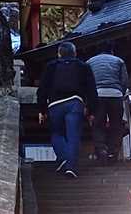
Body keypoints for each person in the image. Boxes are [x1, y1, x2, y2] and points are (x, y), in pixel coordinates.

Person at [37, 40, 95, 177]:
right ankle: (71, 166)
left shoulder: (51, 66)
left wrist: (42, 109)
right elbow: (91, 89)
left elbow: (42, 89)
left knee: (56, 133)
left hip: (55, 104)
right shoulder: (83, 66)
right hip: (75, 102)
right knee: (73, 135)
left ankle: (63, 157)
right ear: (75, 53)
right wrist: (91, 109)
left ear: (59, 54)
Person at [86, 47, 130, 162]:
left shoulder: (90, 62)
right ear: (112, 51)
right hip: (115, 95)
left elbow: (86, 82)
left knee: (98, 124)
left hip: (97, 94)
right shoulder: (119, 61)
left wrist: (88, 99)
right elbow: (125, 81)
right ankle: (113, 151)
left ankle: (101, 149)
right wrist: (121, 92)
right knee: (116, 124)